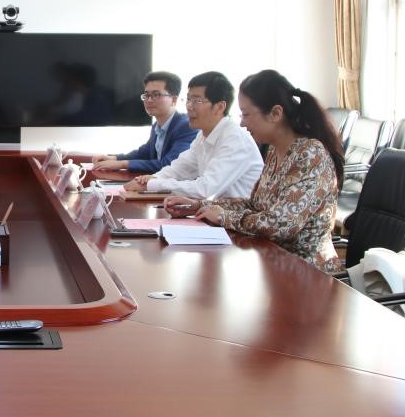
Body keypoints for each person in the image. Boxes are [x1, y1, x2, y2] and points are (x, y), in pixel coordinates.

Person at [165, 69, 345, 273]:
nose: (242, 122)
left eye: (246, 114)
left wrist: (224, 217)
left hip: (306, 272)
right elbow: (254, 205)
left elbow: (281, 225)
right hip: (271, 262)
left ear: (275, 114)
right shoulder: (275, 150)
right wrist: (199, 206)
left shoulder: (310, 154)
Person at [125, 71, 263, 199]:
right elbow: (180, 169)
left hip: (241, 216)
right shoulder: (203, 135)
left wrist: (152, 184)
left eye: (197, 101)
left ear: (220, 107)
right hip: (218, 212)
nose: (189, 106)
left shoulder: (235, 139)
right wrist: (152, 179)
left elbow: (205, 189)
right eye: (188, 100)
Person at [92, 71, 197, 173]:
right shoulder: (157, 125)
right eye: (146, 95)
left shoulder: (187, 126)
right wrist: (114, 158)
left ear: (173, 100)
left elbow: (170, 164)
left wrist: (122, 164)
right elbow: (144, 153)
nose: (149, 100)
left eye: (156, 95)